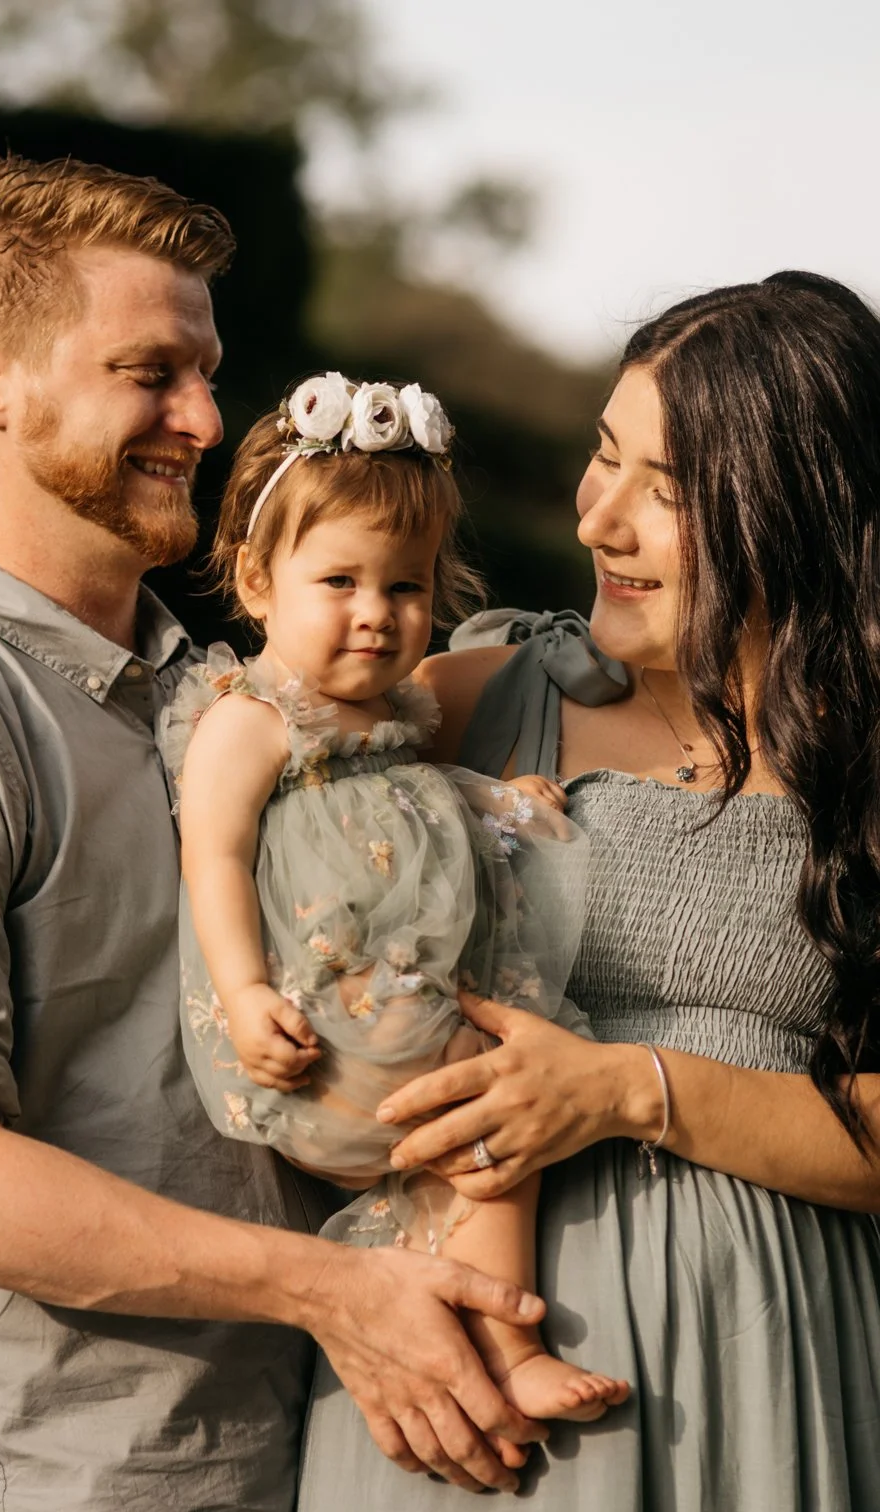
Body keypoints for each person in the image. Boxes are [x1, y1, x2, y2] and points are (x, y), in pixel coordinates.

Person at [0, 155, 549, 1512]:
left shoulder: (248, 693)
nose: (205, 419)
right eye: (151, 373)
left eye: (205, 373)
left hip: (339, 1453)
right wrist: (335, 1292)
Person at [297, 271, 880, 1511]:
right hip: (454, 1383)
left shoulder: (867, 773)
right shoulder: (460, 699)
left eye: (666, 490)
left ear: (798, 515)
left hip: (764, 1366)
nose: (598, 521)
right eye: (605, 457)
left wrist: (630, 1090)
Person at [158, 371, 629, 1426]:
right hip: (321, 1019)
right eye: (340, 581)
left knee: (496, 1123)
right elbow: (214, 856)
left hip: (401, 1000)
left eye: (407, 587)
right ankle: (510, 1343)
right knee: (490, 1117)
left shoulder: (398, 711)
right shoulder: (251, 718)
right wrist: (243, 994)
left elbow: (404, 801)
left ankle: (491, 1340)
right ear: (257, 581)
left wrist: (502, 800)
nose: (377, 615)